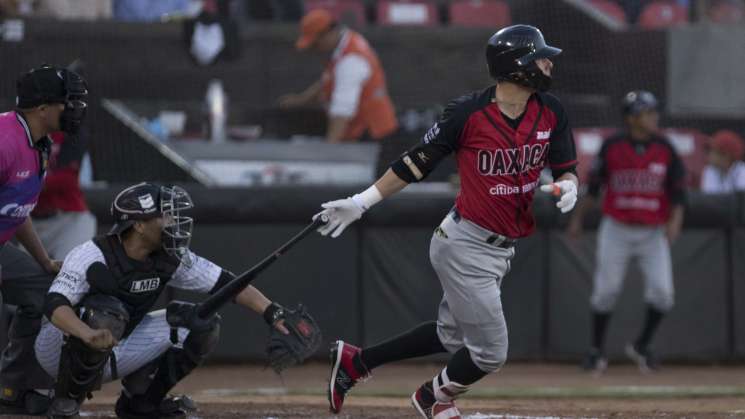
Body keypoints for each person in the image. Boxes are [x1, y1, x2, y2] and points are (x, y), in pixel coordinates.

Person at [315, 25, 579, 418]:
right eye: (540, 56)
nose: (548, 62)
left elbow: (566, 169)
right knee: (490, 353)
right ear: (517, 65)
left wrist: (568, 186)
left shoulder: (551, 109)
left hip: (500, 247)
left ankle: (357, 362)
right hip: (465, 244)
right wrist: (362, 201)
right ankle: (433, 398)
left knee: (450, 335)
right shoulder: (469, 113)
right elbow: (416, 162)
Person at [36, 182, 294, 418]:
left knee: (202, 323)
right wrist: (86, 333)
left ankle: (142, 402)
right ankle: (65, 401)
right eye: (165, 215)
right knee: (106, 312)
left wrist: (272, 312)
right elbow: (55, 305)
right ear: (138, 224)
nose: (173, 221)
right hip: (60, 349)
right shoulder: (91, 254)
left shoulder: (171, 256)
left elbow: (228, 284)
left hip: (118, 342)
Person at [568, 90, 686, 375]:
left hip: (652, 232)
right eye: (648, 112)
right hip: (617, 229)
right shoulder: (612, 146)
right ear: (632, 118)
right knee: (605, 292)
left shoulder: (666, 148)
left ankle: (642, 345)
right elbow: (594, 189)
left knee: (663, 294)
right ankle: (596, 351)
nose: (654, 117)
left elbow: (679, 194)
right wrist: (577, 219)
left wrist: (675, 223)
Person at [0, 64, 88, 415]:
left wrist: (44, 261)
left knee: (44, 289)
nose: (73, 109)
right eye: (66, 102)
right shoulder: (5, 141)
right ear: (41, 109)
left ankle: (12, 386)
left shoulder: (38, 143)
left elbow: (16, 211)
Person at [278, 9, 399, 144]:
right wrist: (301, 100)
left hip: (372, 136)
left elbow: (342, 111)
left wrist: (330, 153)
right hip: (369, 131)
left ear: (327, 34)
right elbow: (328, 80)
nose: (314, 49)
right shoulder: (349, 40)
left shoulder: (351, 61)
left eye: (315, 44)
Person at [31, 131, 97, 260]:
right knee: (23, 276)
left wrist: (25, 182)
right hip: (30, 223)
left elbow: (68, 179)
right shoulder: (20, 132)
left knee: (71, 271)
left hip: (69, 220)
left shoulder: (72, 133)